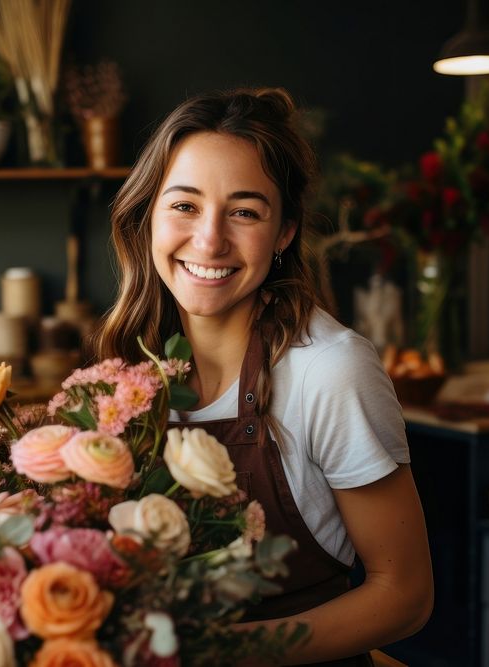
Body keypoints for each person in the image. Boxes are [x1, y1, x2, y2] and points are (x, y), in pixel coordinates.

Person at [92, 87, 433, 665]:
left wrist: (219, 653)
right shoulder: (127, 366)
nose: (209, 239)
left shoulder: (330, 371)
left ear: (284, 233)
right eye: (185, 205)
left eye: (245, 211)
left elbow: (404, 595)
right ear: (148, 213)